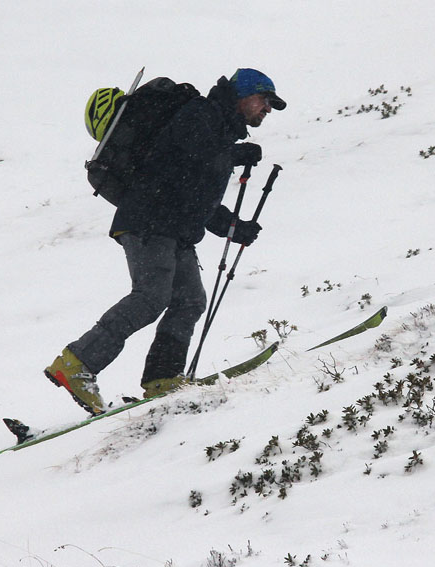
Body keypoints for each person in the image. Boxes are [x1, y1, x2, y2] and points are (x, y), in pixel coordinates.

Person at [44, 68, 287, 415]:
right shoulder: (201, 114)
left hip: (172, 228)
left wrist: (233, 228)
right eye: (265, 100)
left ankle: (162, 379)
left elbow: (195, 193)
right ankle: (77, 363)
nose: (267, 109)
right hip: (148, 221)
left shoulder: (218, 132)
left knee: (190, 300)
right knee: (151, 296)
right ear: (243, 94)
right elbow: (176, 159)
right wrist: (232, 156)